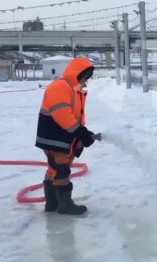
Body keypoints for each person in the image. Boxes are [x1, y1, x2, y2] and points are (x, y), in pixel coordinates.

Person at [35, 57, 97, 215]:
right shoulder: (61, 86)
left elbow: (77, 116)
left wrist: (82, 135)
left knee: (54, 168)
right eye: (85, 77)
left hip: (62, 137)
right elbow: (62, 114)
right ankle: (64, 205)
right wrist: (80, 133)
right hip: (54, 136)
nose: (86, 81)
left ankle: (52, 203)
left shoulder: (74, 91)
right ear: (78, 74)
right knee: (61, 169)